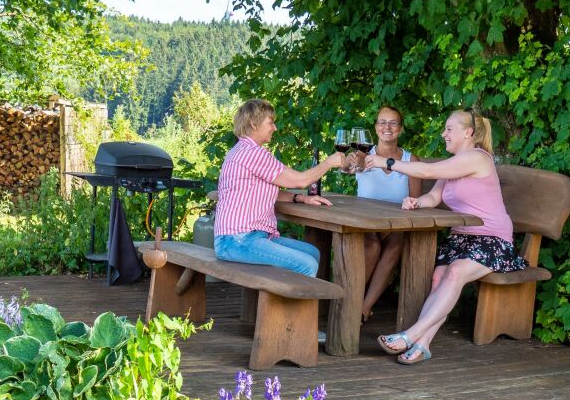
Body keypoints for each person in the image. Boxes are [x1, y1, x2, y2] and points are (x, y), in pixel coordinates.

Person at [363, 107, 527, 364]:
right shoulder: (453, 164)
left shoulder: (478, 158)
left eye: (449, 129)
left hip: (493, 240)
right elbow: (434, 196)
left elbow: (426, 172)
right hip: (462, 239)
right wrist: (418, 202)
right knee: (439, 275)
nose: (444, 134)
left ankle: (412, 334)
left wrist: (387, 162)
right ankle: (423, 345)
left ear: (468, 132)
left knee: (456, 272)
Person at [214, 99, 346, 276]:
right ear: (254, 124)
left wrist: (300, 198)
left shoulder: (240, 150)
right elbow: (301, 180)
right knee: (306, 264)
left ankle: (308, 302)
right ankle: (293, 303)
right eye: (270, 122)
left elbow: (259, 189)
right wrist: (329, 163)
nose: (274, 128)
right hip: (238, 240)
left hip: (243, 237)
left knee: (312, 253)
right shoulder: (253, 153)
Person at [347, 106, 423, 323]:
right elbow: (348, 167)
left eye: (393, 122)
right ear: (375, 127)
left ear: (400, 128)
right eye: (382, 122)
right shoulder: (362, 156)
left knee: (395, 245)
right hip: (365, 221)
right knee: (371, 246)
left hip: (396, 224)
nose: (387, 127)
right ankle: (349, 301)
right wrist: (350, 165)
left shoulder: (411, 160)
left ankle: (362, 309)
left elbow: (415, 202)